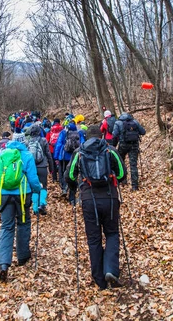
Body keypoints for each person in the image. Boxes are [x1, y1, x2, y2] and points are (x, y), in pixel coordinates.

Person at [65, 125, 126, 290]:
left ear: (85, 136)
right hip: (110, 198)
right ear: (101, 135)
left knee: (94, 239)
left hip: (88, 199)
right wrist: (112, 179)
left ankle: (100, 280)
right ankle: (111, 269)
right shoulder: (110, 150)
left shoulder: (79, 152)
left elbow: (69, 176)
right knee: (112, 233)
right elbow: (121, 174)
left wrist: (75, 187)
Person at [0, 140, 42, 282]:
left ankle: (3, 264)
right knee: (23, 223)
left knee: (6, 226)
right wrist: (38, 189)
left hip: (4, 194)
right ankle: (22, 256)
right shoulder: (26, 155)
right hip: (22, 195)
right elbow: (33, 179)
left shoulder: (3, 154)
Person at [112, 113, 146, 191]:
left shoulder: (118, 123)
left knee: (121, 162)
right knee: (133, 165)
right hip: (134, 145)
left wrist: (113, 145)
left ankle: (123, 181)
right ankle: (135, 186)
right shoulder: (135, 122)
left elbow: (114, 135)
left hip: (123, 145)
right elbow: (143, 132)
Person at [25, 124, 53, 215]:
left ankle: (35, 208)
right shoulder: (43, 140)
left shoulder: (27, 142)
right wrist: (51, 168)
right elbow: (48, 155)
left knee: (34, 188)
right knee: (43, 186)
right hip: (42, 167)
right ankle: (42, 204)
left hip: (32, 168)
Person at [54, 121, 84, 196]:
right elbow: (83, 143)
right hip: (75, 156)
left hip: (64, 156)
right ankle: (72, 193)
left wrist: (56, 156)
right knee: (73, 173)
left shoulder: (64, 132)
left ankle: (64, 188)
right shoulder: (79, 132)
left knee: (63, 172)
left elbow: (59, 144)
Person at [46, 118, 63, 183]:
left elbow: (47, 140)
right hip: (60, 149)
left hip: (52, 149)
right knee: (61, 164)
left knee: (53, 164)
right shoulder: (62, 129)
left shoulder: (50, 130)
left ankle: (54, 178)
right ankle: (61, 179)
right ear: (59, 122)